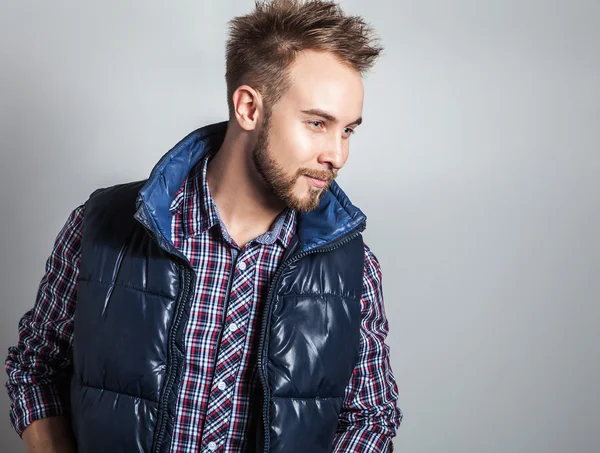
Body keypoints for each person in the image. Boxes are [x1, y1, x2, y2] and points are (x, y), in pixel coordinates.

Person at [5, 1, 402, 452]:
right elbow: (35, 366)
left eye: (348, 130)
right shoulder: (103, 225)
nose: (337, 154)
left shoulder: (352, 268)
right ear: (249, 108)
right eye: (317, 123)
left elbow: (370, 418)